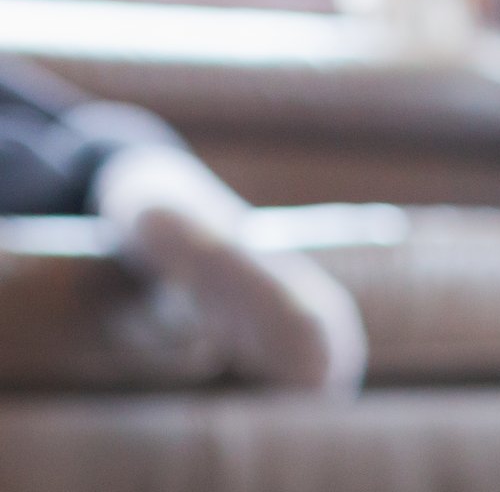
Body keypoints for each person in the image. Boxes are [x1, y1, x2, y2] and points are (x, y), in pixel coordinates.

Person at [0, 55, 365, 393]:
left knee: (115, 150)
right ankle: (160, 204)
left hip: (82, 159)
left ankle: (173, 213)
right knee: (110, 145)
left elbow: (76, 122)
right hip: (73, 161)